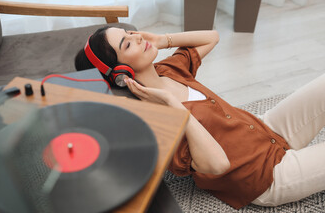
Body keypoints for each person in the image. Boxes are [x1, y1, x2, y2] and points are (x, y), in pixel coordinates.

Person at [75, 26, 325, 209]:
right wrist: (174, 105)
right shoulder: (156, 123)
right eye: (127, 44)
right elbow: (217, 165)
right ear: (121, 72)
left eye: (129, 33)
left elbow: (212, 37)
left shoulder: (167, 69)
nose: (137, 37)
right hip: (268, 175)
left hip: (267, 128)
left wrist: (164, 40)